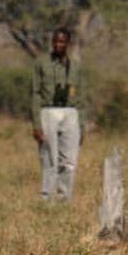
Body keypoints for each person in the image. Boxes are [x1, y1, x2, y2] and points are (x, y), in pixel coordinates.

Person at [31, 27, 86, 202]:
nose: (58, 45)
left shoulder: (75, 67)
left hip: (71, 113)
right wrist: (36, 124)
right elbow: (35, 93)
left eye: (62, 41)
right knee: (49, 159)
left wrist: (82, 126)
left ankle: (64, 200)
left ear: (68, 43)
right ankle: (46, 200)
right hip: (48, 111)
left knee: (69, 162)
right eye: (55, 41)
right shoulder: (41, 63)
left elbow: (81, 97)